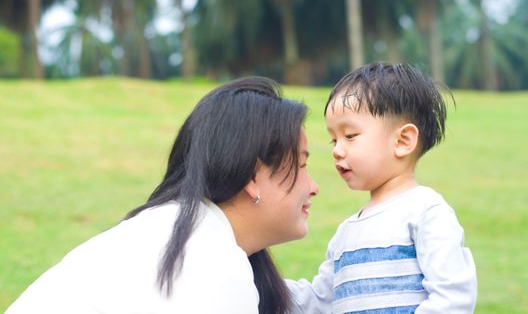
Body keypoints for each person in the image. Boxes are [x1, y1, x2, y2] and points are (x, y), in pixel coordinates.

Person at [6, 77, 319, 314]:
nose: (313, 186)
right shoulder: (210, 265)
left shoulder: (181, 235)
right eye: (302, 164)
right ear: (253, 176)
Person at [287, 62, 477, 313]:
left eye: (350, 136)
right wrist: (257, 279)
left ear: (403, 141)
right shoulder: (347, 232)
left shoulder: (426, 212)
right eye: (334, 139)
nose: (336, 150)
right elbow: (320, 301)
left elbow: (453, 297)